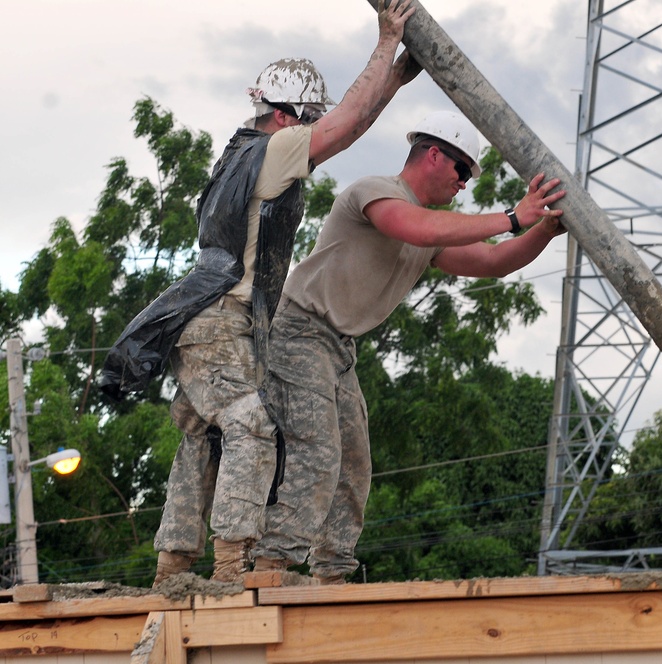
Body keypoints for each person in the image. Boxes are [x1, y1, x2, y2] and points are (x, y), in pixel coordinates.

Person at [97, 0, 420, 584]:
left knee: (202, 438)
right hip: (222, 319)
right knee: (249, 425)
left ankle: (173, 565)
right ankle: (228, 570)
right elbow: (341, 126)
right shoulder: (272, 151)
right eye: (305, 119)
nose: (309, 130)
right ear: (286, 114)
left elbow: (341, 132)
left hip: (214, 322)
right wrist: (385, 42)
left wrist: (393, 79)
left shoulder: (245, 153)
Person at [251, 110, 567, 583]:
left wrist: (542, 229)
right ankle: (271, 564)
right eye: (462, 170)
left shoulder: (430, 229)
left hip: (337, 349)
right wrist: (509, 217)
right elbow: (416, 228)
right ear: (434, 154)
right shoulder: (376, 193)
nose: (463, 184)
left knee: (355, 465)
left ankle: (332, 572)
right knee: (318, 448)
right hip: (298, 332)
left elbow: (494, 261)